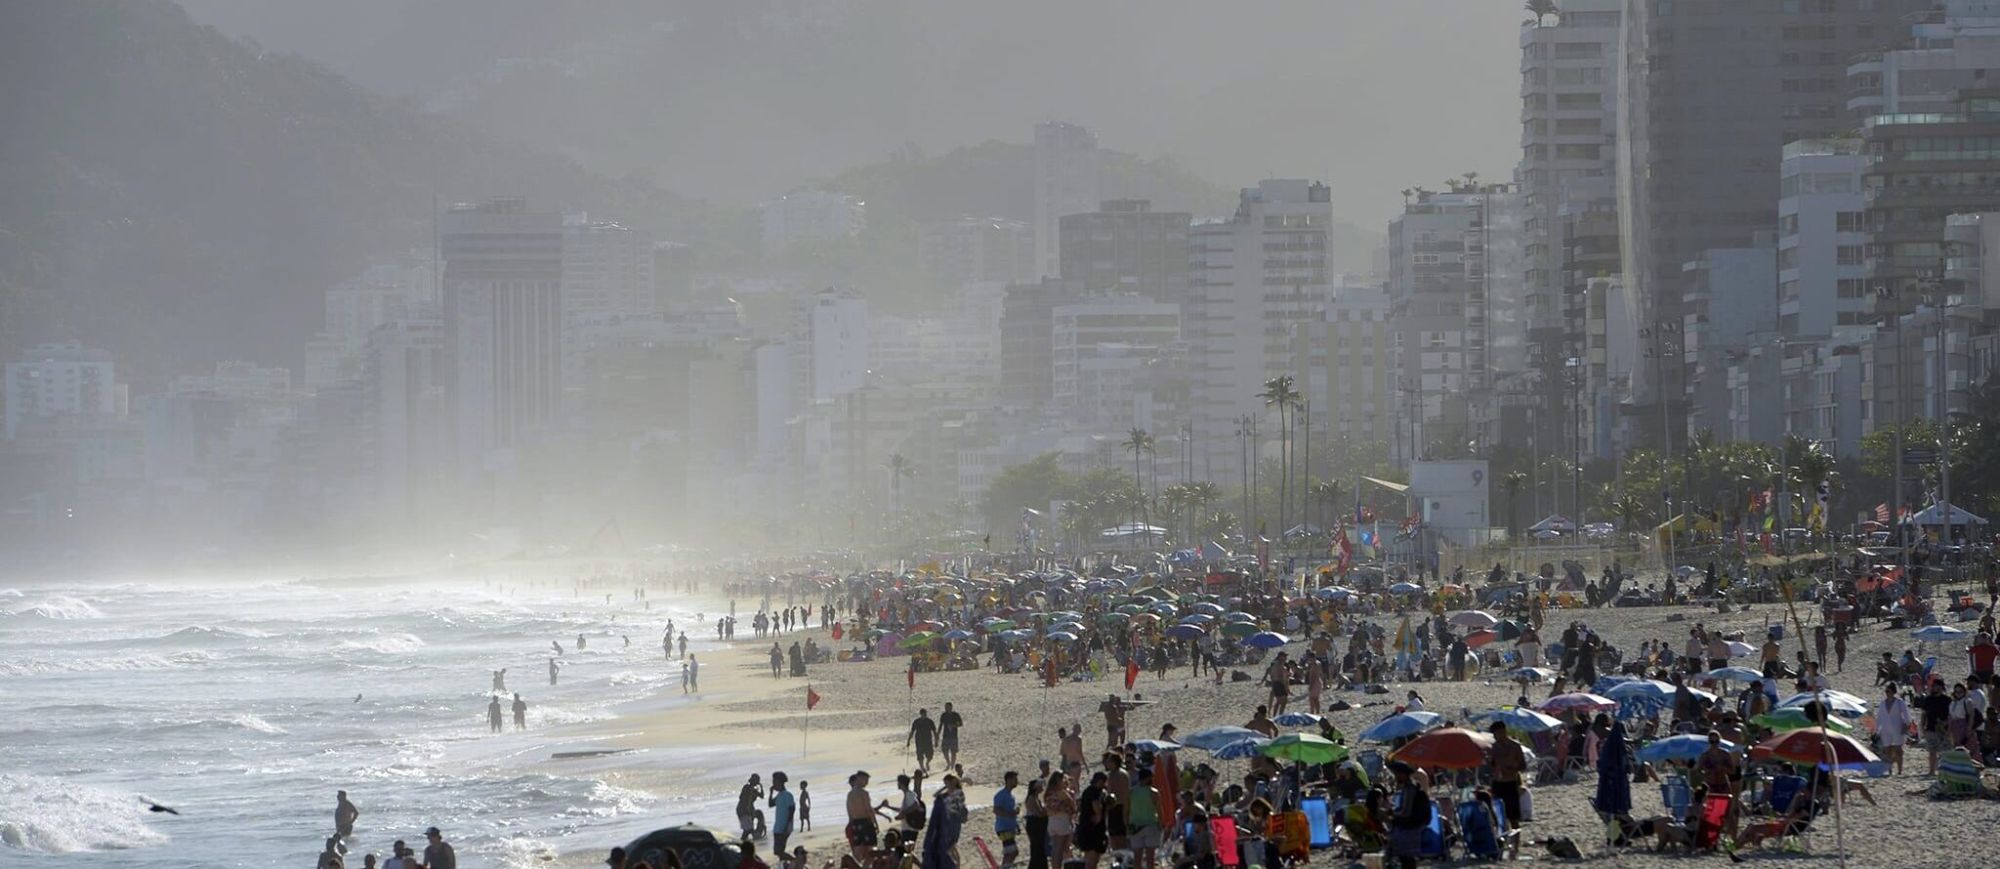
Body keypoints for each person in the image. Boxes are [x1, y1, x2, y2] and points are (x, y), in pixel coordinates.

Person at [1386, 761, 1429, 869]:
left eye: (1397, 774)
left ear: (1403, 774)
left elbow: (1406, 812)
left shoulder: (1409, 789)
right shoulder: (1409, 787)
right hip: (1411, 825)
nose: (1396, 777)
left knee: (1406, 858)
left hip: (1410, 827)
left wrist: (1392, 814)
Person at [1488, 721, 1527, 826]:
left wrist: (1512, 768)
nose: (1495, 737)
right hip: (1497, 782)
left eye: (1496, 734)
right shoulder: (1494, 747)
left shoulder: (1514, 746)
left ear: (1502, 732)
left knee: (1513, 816)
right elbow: (1490, 766)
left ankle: (1516, 841)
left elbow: (1523, 765)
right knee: (1497, 814)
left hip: (1510, 782)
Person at [845, 771, 881, 863]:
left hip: (855, 823)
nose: (867, 782)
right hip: (866, 822)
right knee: (871, 848)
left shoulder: (850, 794)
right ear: (859, 779)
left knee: (858, 848)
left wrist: (851, 824)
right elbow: (868, 809)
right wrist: (875, 823)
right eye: (866, 780)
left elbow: (849, 811)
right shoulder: (863, 793)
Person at [1920, 678, 1954, 776]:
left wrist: (1947, 725)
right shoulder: (1928, 700)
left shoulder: (1947, 700)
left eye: (1939, 686)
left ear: (1942, 687)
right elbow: (1924, 714)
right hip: (1930, 728)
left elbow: (1951, 716)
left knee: (1945, 751)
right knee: (1932, 751)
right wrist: (1922, 727)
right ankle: (1932, 770)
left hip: (1944, 729)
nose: (1936, 688)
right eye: (1935, 686)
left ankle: (1945, 771)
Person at [1876, 684, 1911, 775]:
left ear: (1893, 692)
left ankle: (1899, 770)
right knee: (1887, 749)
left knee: (1898, 749)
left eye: (1888, 691)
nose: (1887, 693)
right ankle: (1889, 769)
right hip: (1885, 729)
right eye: (1886, 691)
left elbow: (1906, 714)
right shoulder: (1883, 703)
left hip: (1897, 728)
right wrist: (1877, 729)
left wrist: (1907, 724)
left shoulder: (1899, 702)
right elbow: (1879, 717)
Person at [1044, 770, 1076, 869]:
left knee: (1057, 849)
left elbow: (1049, 808)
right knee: (1061, 849)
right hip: (1062, 821)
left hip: (1052, 822)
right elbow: (1071, 808)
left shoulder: (1048, 793)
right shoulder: (1061, 792)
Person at [993, 771, 1021, 869]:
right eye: (1015, 779)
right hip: (1003, 828)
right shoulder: (1001, 795)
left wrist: (1016, 824)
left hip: (1009, 827)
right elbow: (996, 810)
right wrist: (1011, 814)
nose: (1017, 781)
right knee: (1013, 851)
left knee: (1008, 852)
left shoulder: (1011, 796)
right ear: (1008, 780)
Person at [1022, 777, 1048, 869]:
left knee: (1039, 847)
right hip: (1034, 824)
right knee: (1036, 847)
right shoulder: (1032, 798)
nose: (1042, 788)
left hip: (1038, 824)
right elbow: (1039, 814)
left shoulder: (1037, 798)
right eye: (1040, 786)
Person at [771, 772, 797, 857]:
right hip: (778, 827)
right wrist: (771, 792)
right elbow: (770, 804)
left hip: (783, 827)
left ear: (780, 782)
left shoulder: (787, 795)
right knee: (778, 852)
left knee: (779, 851)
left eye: (774, 782)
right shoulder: (779, 795)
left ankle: (795, 861)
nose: (773, 784)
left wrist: (787, 826)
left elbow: (792, 809)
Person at [738, 774, 767, 839]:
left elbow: (762, 796)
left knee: (759, 814)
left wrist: (761, 787)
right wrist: (747, 808)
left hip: (750, 809)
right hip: (742, 809)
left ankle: (757, 832)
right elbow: (741, 798)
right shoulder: (746, 787)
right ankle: (744, 839)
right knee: (748, 829)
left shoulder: (754, 789)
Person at [939, 703, 965, 768]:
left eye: (947, 707)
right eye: (945, 707)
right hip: (945, 736)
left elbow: (961, 724)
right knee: (945, 751)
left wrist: (953, 726)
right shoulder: (943, 715)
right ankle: (948, 763)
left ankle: (952, 765)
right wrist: (937, 734)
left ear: (951, 707)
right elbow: (941, 725)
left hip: (953, 736)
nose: (946, 709)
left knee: (953, 752)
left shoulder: (955, 715)